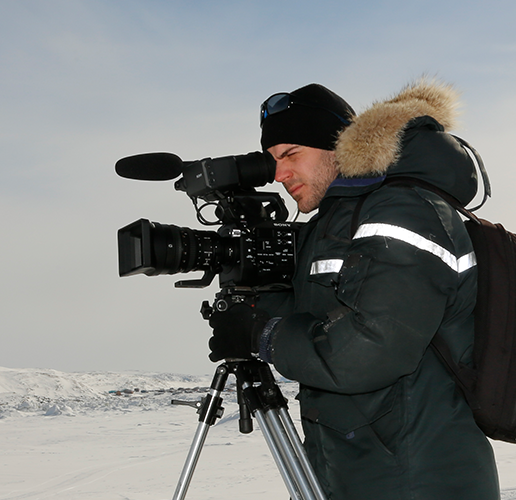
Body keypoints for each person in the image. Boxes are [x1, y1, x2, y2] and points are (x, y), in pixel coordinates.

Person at [206, 80, 500, 499]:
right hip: (354, 474)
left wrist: (262, 335)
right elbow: (319, 313)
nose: (279, 174)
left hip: (418, 480)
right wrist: (251, 303)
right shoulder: (336, 223)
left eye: (291, 154)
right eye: (272, 161)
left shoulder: (404, 209)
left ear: (337, 146)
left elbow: (368, 349)